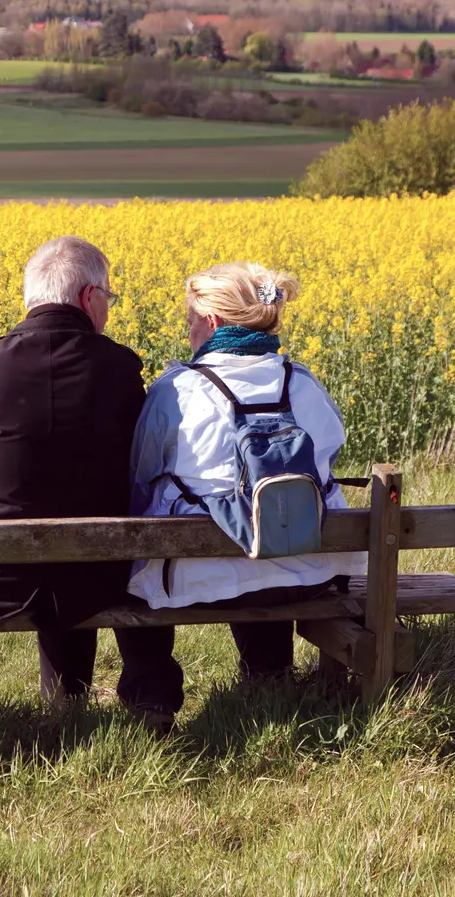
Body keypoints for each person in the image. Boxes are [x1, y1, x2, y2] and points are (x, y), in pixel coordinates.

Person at [118, 262, 367, 725]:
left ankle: (152, 701)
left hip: (194, 583)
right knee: (264, 553)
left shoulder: (180, 390)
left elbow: (142, 473)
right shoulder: (305, 384)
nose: (188, 330)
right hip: (305, 575)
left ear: (211, 323)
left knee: (140, 563)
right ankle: (268, 679)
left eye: (190, 320)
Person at [0, 235, 147, 704]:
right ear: (87, 297)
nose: (108, 309)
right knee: (74, 550)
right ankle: (67, 700)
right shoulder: (121, 370)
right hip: (93, 575)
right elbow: (140, 469)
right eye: (108, 298)